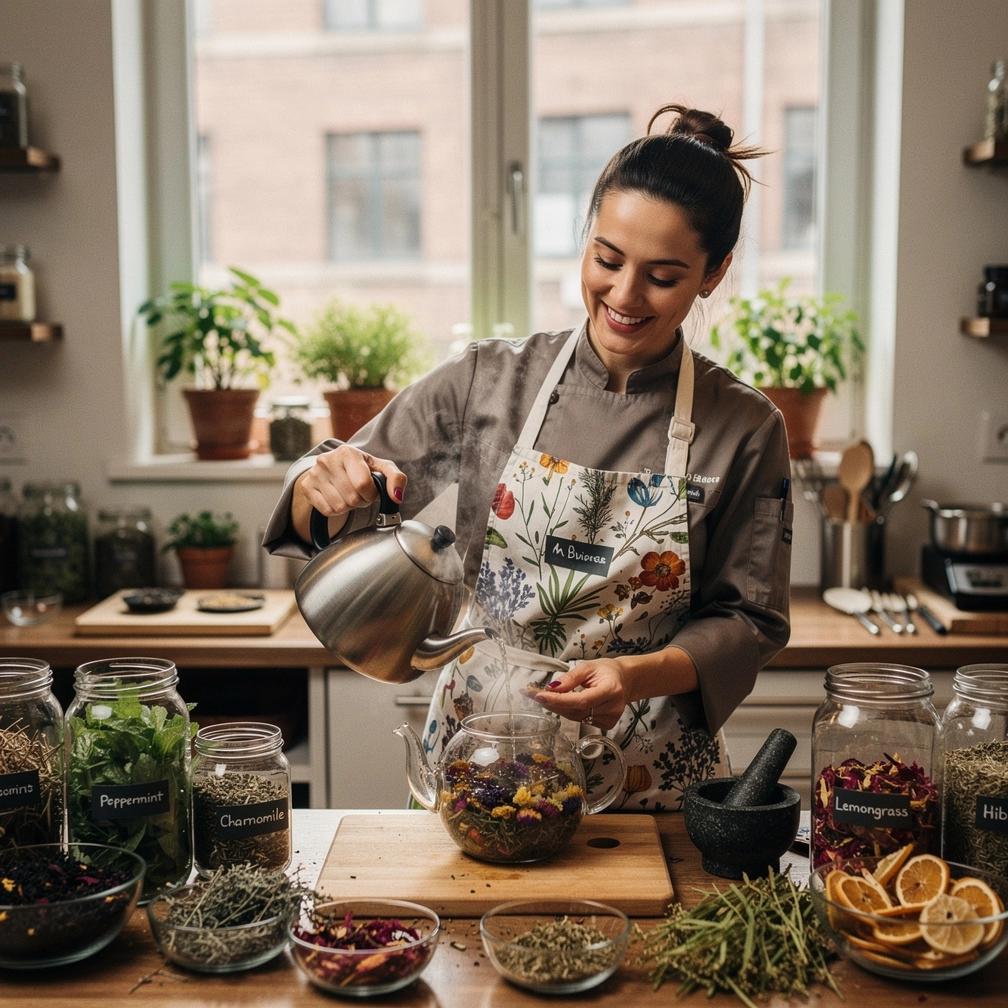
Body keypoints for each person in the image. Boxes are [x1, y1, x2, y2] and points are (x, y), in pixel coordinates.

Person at [263, 104, 792, 811]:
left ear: (714, 273)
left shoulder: (746, 426)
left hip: (648, 775)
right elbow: (344, 487)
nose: (624, 296)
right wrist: (320, 479)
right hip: (482, 752)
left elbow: (749, 619)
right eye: (606, 259)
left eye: (663, 277)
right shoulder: (488, 380)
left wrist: (633, 676)